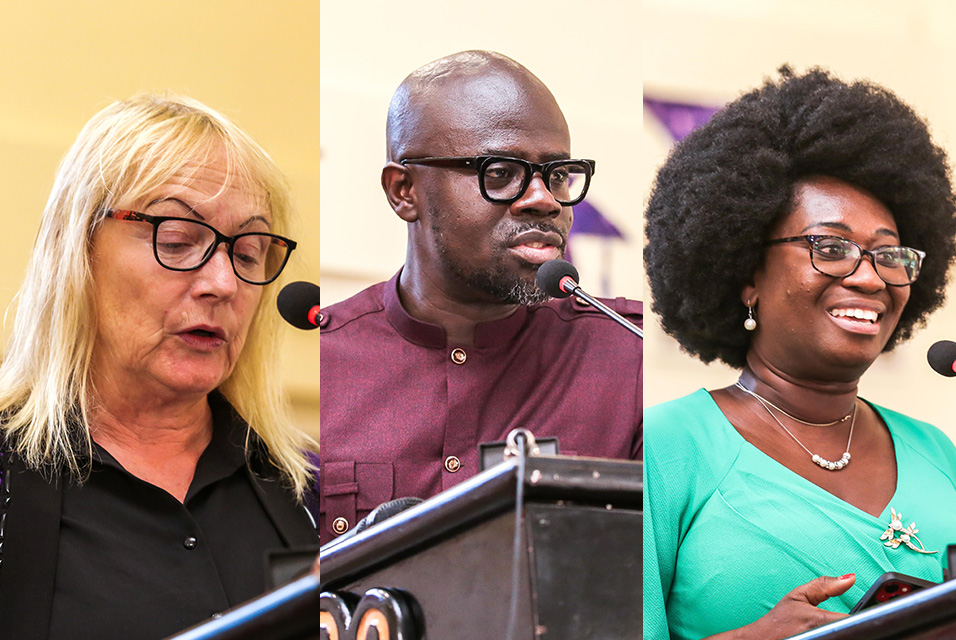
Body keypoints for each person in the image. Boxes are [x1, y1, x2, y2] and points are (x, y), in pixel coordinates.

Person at [642, 65, 956, 640]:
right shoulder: (664, 449)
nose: (869, 278)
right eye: (830, 247)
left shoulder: (937, 452)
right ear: (747, 274)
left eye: (889, 255)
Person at [0, 94, 321, 640]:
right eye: (176, 240)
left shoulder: (315, 493)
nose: (223, 283)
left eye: (247, 253)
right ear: (77, 251)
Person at [305, 50, 642, 542]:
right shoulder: (326, 360)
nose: (544, 200)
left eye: (557, 175)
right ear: (404, 191)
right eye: (501, 173)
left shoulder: (624, 354)